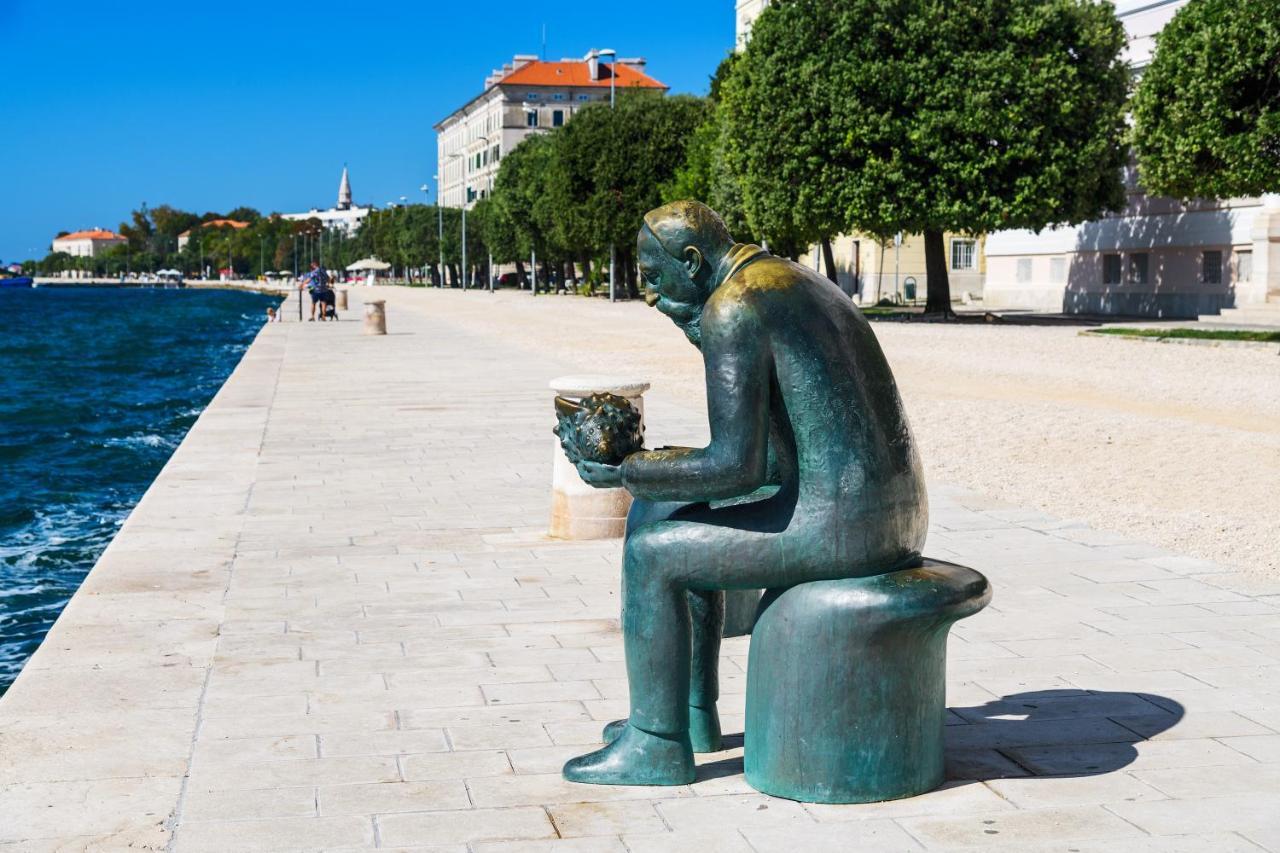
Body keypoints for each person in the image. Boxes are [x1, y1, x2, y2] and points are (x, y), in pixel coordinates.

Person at [561, 201, 929, 786]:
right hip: (885, 511)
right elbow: (777, 452)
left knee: (651, 554)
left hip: (840, 523)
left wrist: (629, 471)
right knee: (666, 507)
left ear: (691, 261)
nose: (650, 297)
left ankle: (656, 747)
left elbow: (735, 466)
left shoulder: (733, 308)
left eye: (654, 279)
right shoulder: (792, 280)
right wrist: (658, 476)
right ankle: (687, 713)